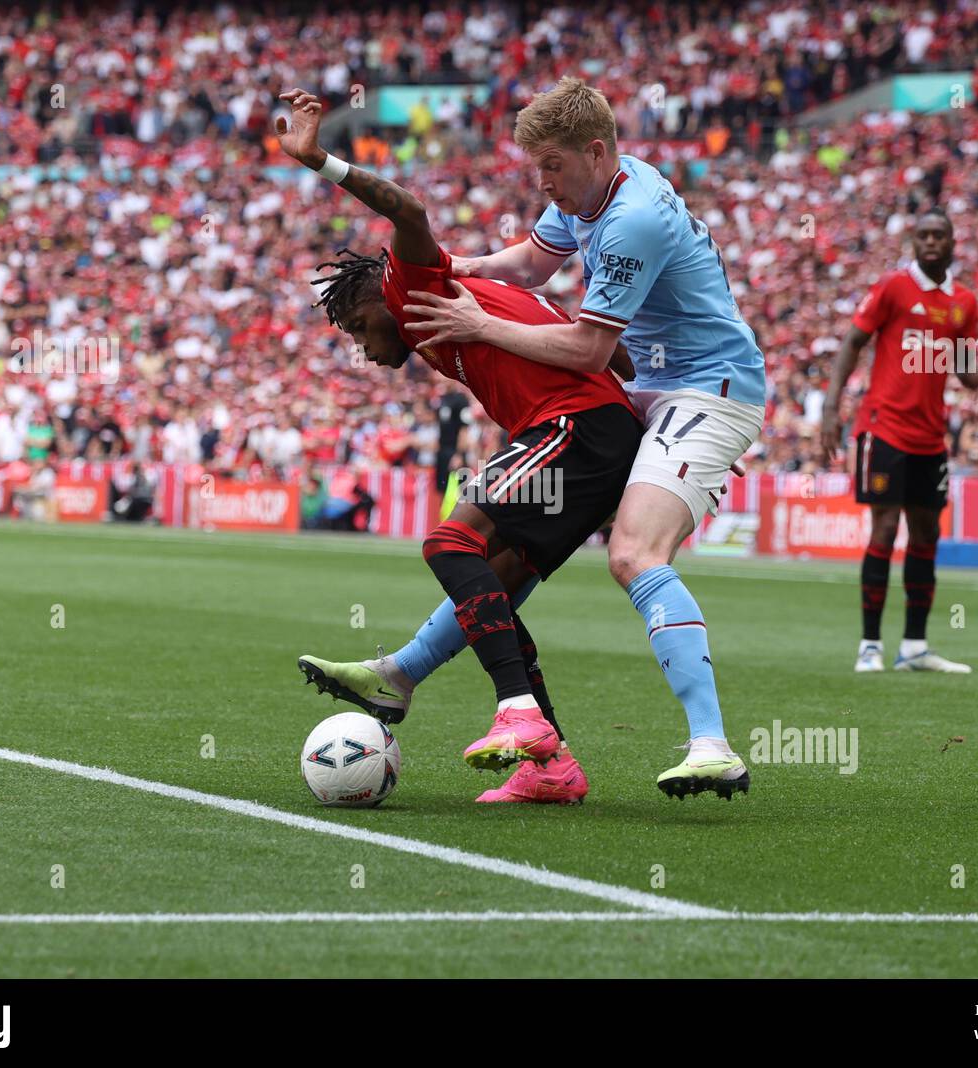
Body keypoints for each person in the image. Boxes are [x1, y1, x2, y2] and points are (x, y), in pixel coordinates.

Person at [395, 78, 766, 800]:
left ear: (595, 152)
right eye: (538, 170)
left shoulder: (630, 220)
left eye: (553, 169)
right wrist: (460, 269)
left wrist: (480, 326)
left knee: (633, 553)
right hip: (647, 389)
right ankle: (406, 675)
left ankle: (713, 745)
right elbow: (532, 264)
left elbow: (590, 350)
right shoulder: (593, 191)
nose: (545, 185)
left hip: (706, 389)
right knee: (519, 549)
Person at [278, 89, 643, 805]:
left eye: (354, 329)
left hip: (579, 428)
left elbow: (408, 212)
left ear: (374, 298)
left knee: (450, 544)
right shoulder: (452, 305)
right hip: (585, 434)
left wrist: (317, 158)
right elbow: (613, 356)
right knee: (495, 585)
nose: (359, 348)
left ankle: (516, 711)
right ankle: (550, 766)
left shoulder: (409, 283)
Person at [821, 211, 978, 674]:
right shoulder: (894, 287)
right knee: (884, 526)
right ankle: (870, 646)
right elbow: (853, 343)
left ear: (953, 241)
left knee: (927, 533)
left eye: (939, 235)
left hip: (931, 436)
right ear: (914, 242)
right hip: (884, 428)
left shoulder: (965, 302)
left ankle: (914, 646)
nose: (931, 242)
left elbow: (966, 368)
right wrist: (829, 408)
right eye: (923, 235)